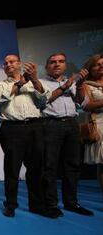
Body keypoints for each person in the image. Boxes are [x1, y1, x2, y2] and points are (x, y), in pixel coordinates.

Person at [0, 54, 48, 218]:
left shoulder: (35, 82)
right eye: (5, 63)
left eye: (11, 62)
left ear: (19, 64)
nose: (8, 65)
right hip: (12, 129)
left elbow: (44, 101)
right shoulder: (0, 84)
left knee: (36, 168)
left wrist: (35, 80)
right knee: (12, 169)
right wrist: (20, 84)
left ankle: (37, 205)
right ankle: (10, 205)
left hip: (35, 127)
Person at [39, 53, 93, 218]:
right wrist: (66, 85)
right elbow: (42, 102)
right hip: (50, 124)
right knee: (50, 166)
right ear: (47, 66)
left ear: (65, 65)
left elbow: (82, 104)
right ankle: (51, 205)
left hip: (71, 124)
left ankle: (71, 203)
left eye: (60, 62)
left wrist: (81, 84)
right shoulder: (41, 82)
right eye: (53, 62)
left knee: (73, 165)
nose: (57, 64)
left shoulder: (75, 83)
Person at [80, 54, 103, 198]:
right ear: (90, 68)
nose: (101, 66)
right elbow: (86, 106)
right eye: (97, 64)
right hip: (100, 125)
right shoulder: (87, 85)